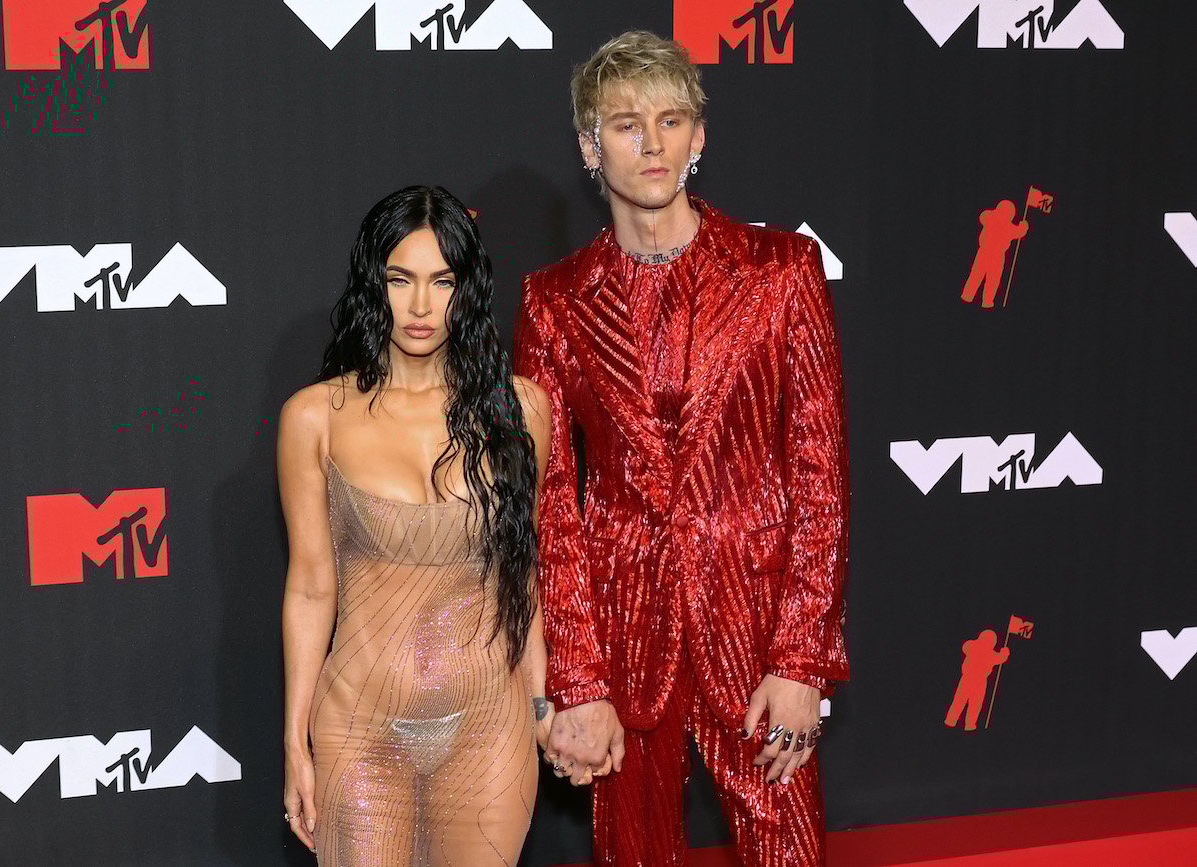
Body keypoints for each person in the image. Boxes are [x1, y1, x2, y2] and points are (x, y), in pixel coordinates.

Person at [513, 32, 850, 865]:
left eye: (672, 120)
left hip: (759, 625)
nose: (653, 143)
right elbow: (549, 507)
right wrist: (578, 681)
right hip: (625, 633)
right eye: (627, 124)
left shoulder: (781, 271)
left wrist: (803, 656)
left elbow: (819, 472)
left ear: (699, 137)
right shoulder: (552, 302)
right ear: (592, 147)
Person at [278, 186, 555, 865]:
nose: (423, 306)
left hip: (491, 726)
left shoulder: (522, 409)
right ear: (374, 284)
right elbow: (311, 587)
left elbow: (525, 577)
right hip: (359, 728)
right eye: (401, 280)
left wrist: (544, 707)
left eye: (443, 281)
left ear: (468, 289)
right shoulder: (315, 417)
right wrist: (294, 741)